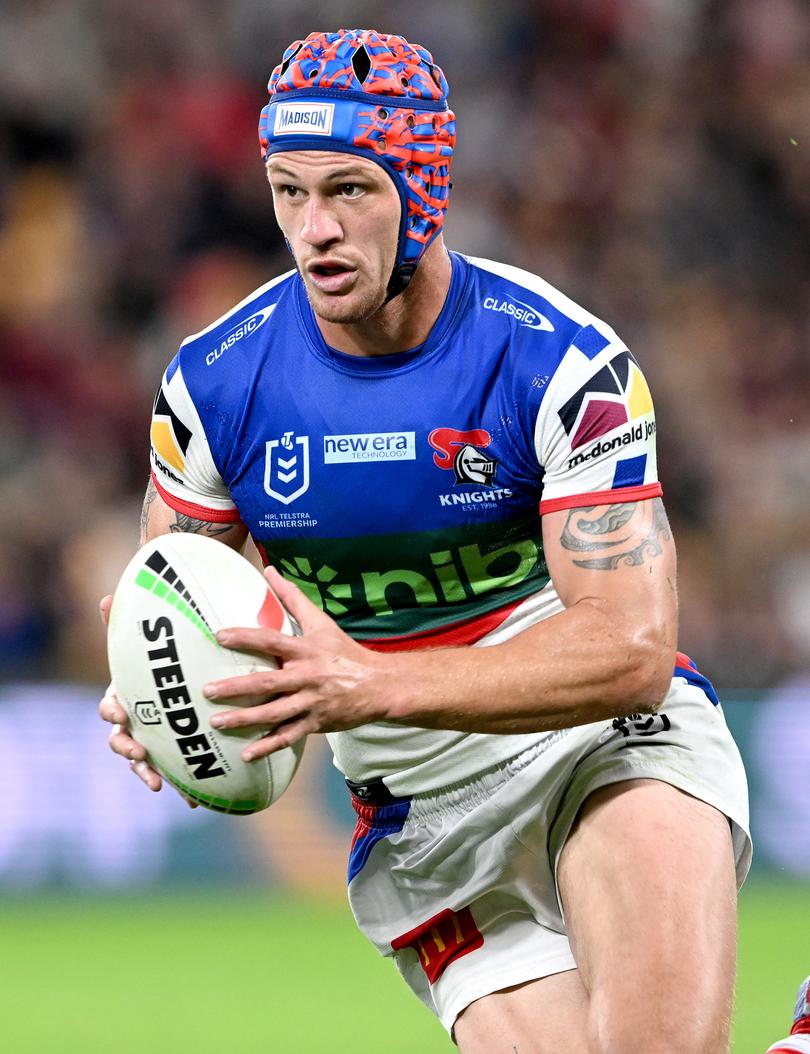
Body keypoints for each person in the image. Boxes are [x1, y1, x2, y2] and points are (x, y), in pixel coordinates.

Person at [100, 29, 752, 1053]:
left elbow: (629, 655)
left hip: (597, 744)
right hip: (421, 822)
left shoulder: (563, 365)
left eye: (350, 189)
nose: (313, 229)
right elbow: (180, 598)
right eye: (288, 190)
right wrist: (155, 692)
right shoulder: (213, 388)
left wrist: (371, 684)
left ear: (423, 188)